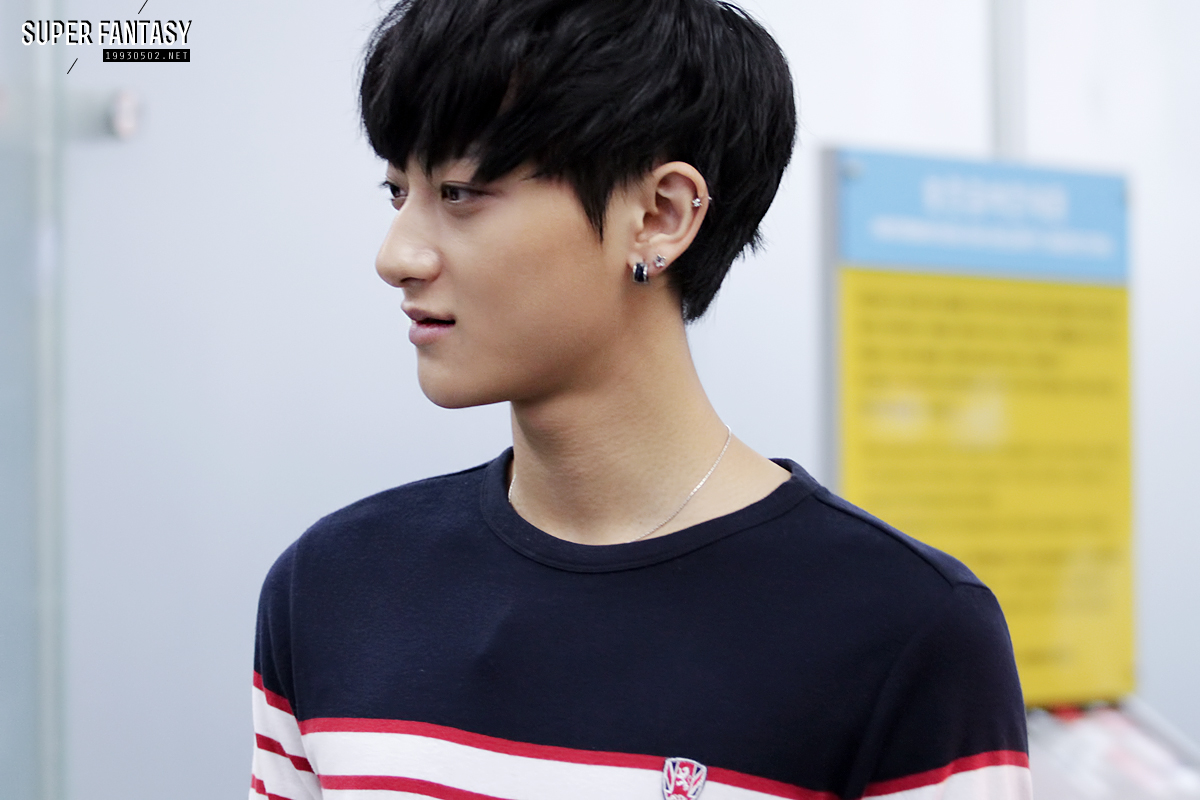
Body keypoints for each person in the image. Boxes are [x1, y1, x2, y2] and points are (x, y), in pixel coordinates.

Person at [249, 0, 1031, 798]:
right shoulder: (333, 588)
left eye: (459, 192)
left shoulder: (905, 628)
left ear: (659, 217)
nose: (397, 256)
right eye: (396, 192)